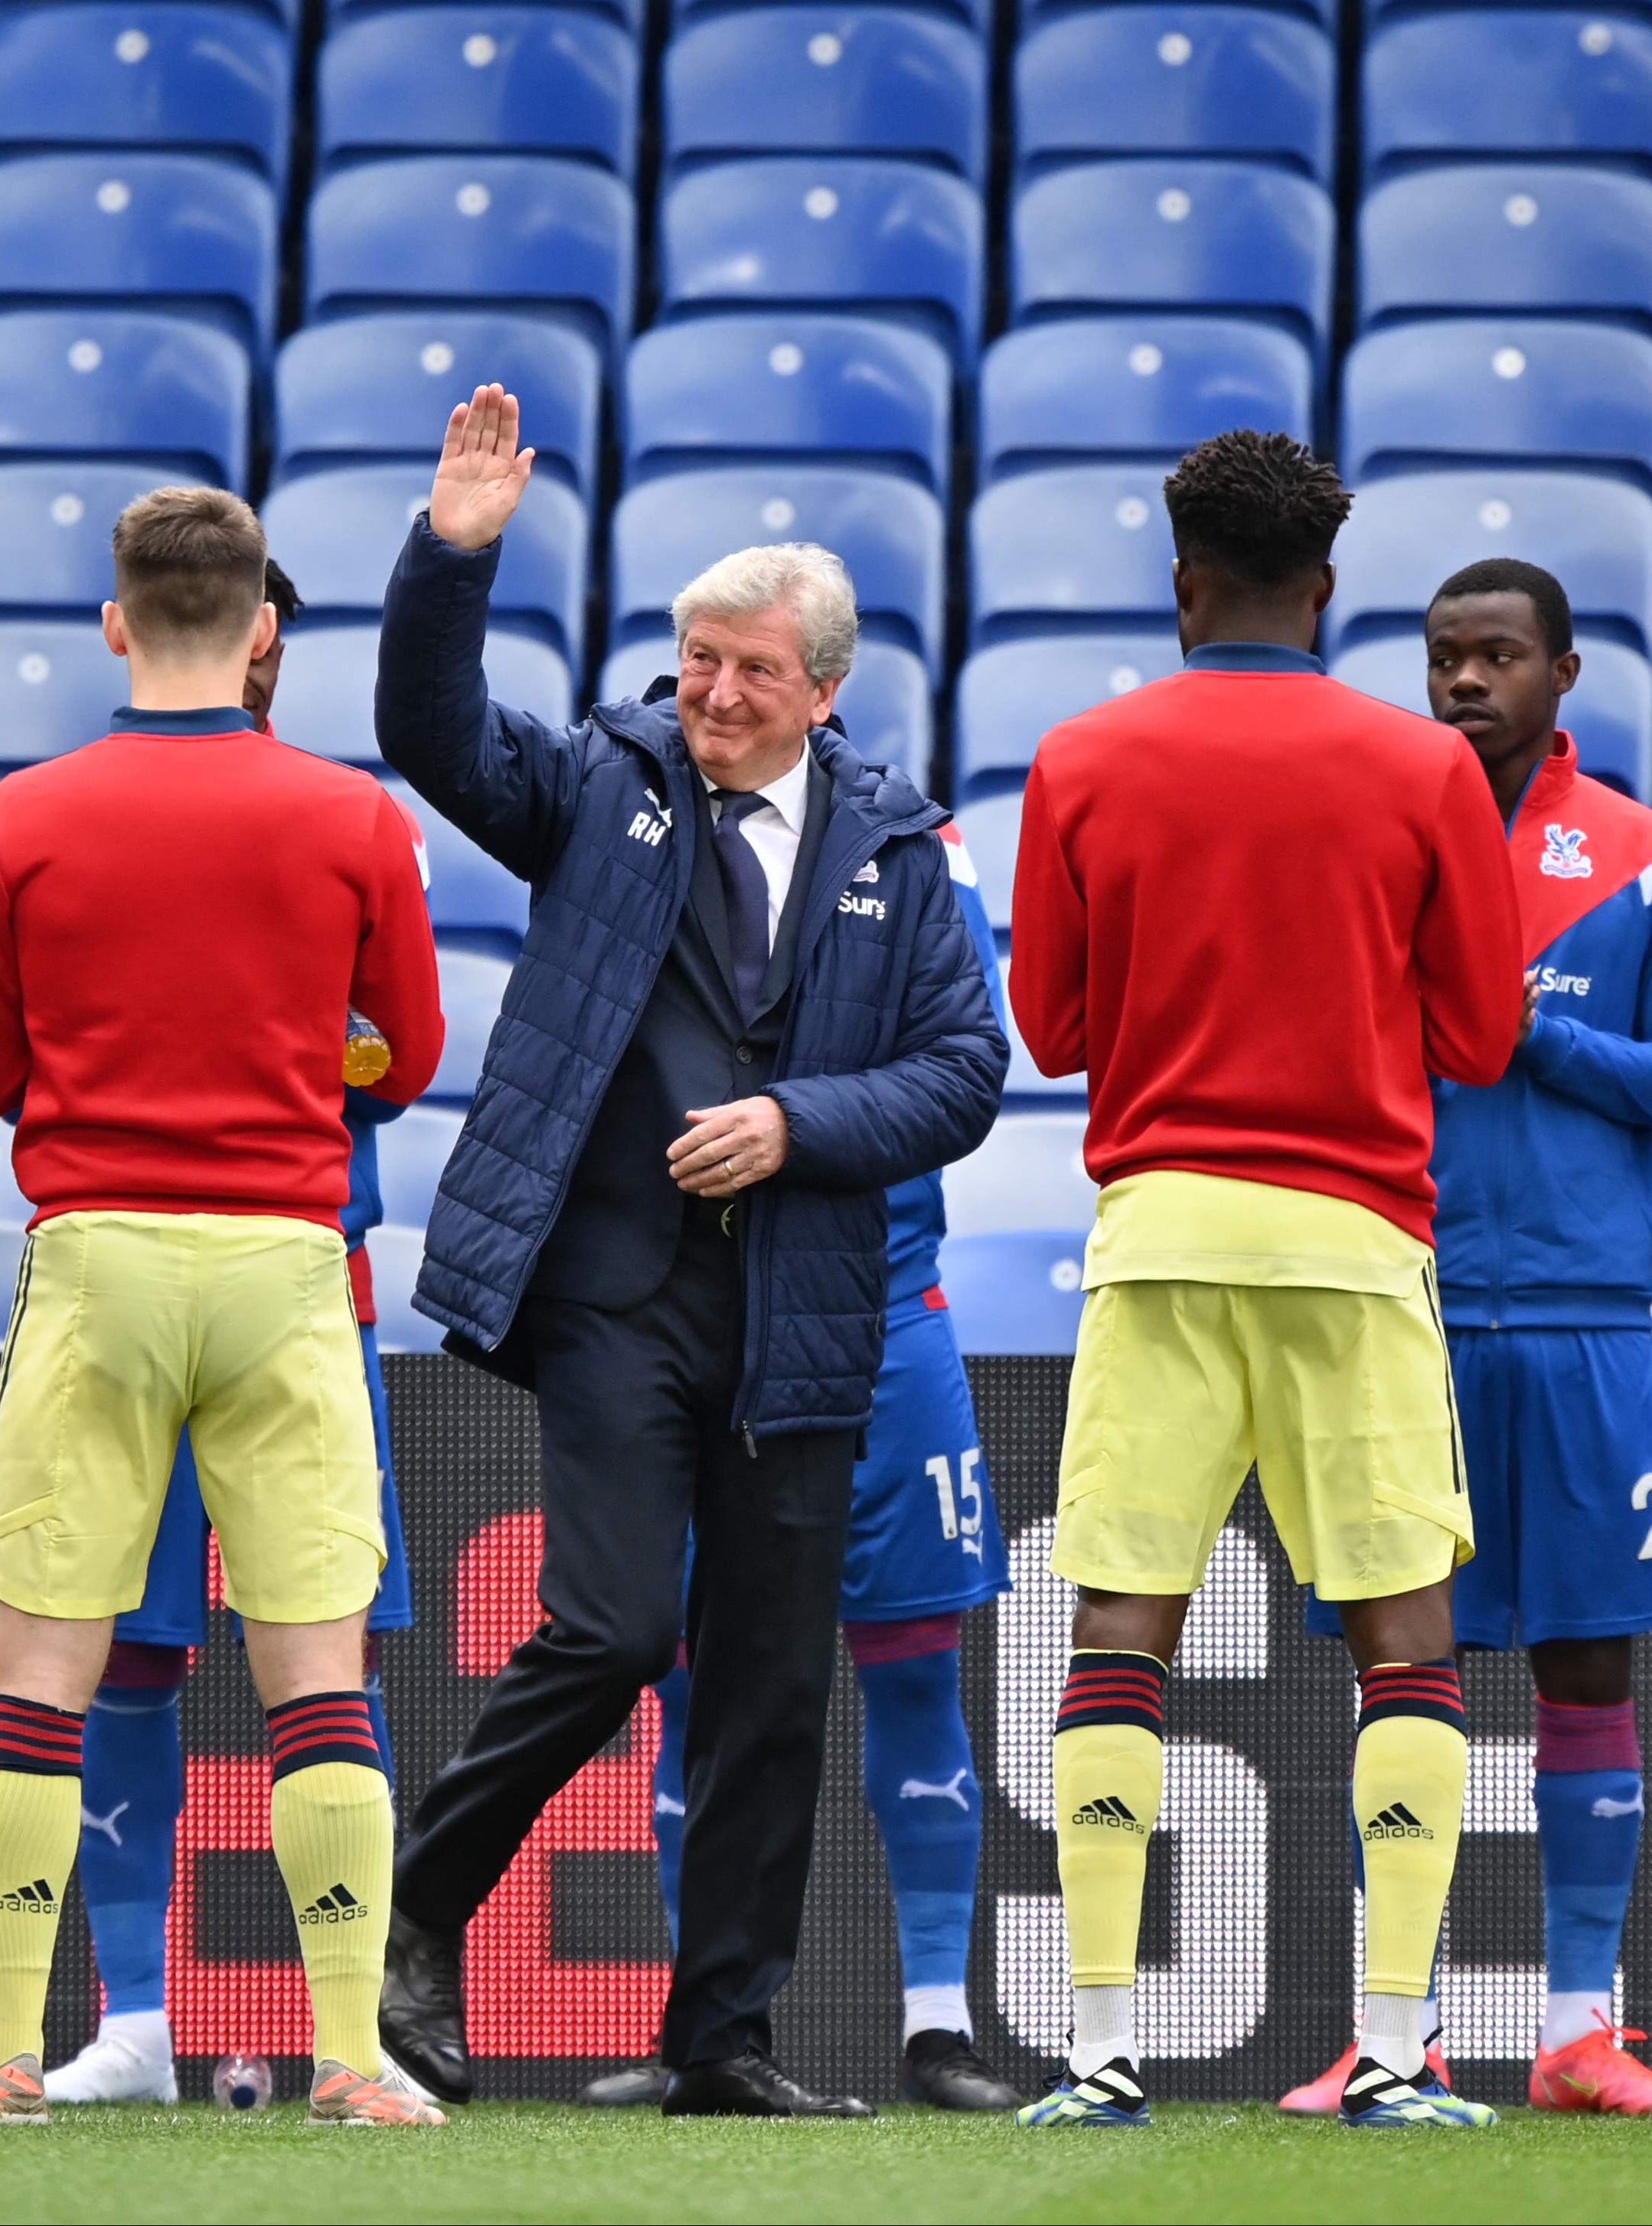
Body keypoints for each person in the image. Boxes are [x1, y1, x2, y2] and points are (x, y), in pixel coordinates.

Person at [371, 388, 1004, 2118]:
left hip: (804, 1304)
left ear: (823, 691)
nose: (712, 694)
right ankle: (414, 1910)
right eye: (697, 660)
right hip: (614, 1295)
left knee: (771, 1683)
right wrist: (453, 556)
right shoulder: (601, 780)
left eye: (749, 672)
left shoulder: (899, 845)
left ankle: (719, 2039)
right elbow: (429, 729)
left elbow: (967, 1071)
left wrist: (799, 1122)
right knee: (615, 1626)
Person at [1004, 431, 1523, 2133]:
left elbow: (1051, 1029)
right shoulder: (1423, 767)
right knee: (1403, 1633)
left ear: (1182, 583)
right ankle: (1394, 2046)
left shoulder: (1081, 758)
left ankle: (1096, 2048)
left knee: (1121, 1621)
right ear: (1326, 589)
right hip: (1351, 1239)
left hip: (1159, 1229)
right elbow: (1482, 1034)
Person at [0, 486, 446, 2129]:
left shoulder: (20, 815)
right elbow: (408, 1056)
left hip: (97, 1257)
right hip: (285, 1259)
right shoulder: (352, 817)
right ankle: (351, 2056)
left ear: (115, 623)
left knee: (40, 1667)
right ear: (263, 627)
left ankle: (5, 2054)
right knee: (317, 1673)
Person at [1277, 560, 1652, 2116]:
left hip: (1581, 1316)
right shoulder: (1372, 845)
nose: (1465, 681)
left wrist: (1520, 1023)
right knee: (1402, 1674)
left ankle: (1579, 2032)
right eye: (1443, 657)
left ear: (1562, 672)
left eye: (1497, 656)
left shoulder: (1651, 863)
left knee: (1585, 1664)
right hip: (1402, 1309)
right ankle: (1392, 2030)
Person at [578, 823, 1023, 2115]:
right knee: (686, 1679)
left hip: (882, 1310)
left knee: (914, 1666)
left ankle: (938, 2030)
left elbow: (961, 1069)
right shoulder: (649, 833)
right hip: (698, 1319)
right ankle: (700, 2029)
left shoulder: (916, 852)